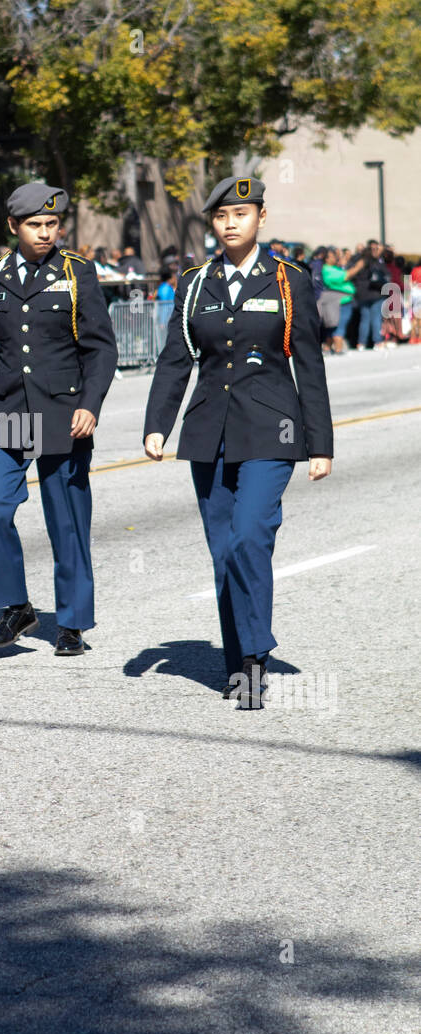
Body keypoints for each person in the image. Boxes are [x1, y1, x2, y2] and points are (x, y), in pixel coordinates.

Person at [143, 176, 333, 709]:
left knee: (251, 534)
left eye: (242, 214)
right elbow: (176, 359)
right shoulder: (195, 283)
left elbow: (310, 366)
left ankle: (255, 655)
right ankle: (237, 662)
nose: (231, 223)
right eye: (222, 215)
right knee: (224, 551)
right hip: (208, 431)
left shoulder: (289, 279)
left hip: (274, 428)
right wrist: (158, 423)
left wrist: (321, 444)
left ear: (261, 219)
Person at [0, 181, 118, 656]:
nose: (45, 233)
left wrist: (90, 403)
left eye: (51, 224)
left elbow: (101, 348)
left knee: (67, 519)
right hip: (8, 409)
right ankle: (15, 605)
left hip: (64, 410)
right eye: (34, 225)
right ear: (13, 226)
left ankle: (72, 623)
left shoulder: (77, 272)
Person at [321, 248, 363, 354]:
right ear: (326, 259)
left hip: (343, 300)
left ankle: (328, 347)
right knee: (340, 324)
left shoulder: (334, 268)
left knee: (335, 325)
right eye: (333, 256)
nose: (336, 258)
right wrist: (359, 266)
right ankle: (338, 348)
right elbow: (346, 275)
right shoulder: (327, 270)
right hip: (340, 301)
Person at [349, 240, 390, 350]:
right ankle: (377, 341)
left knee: (365, 318)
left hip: (362, 294)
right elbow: (386, 275)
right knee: (375, 318)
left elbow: (353, 276)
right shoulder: (376, 262)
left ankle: (361, 343)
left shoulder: (358, 262)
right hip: (375, 293)